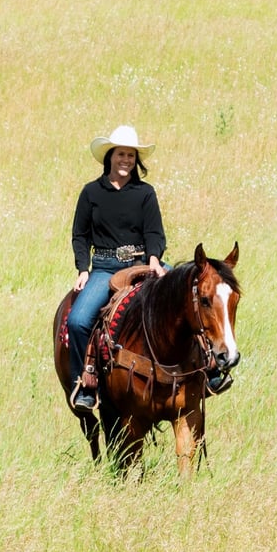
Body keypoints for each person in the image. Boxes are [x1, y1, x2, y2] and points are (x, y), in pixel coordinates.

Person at [67, 125, 168, 413]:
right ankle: (86, 384)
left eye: (131, 155)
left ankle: (201, 370)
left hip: (142, 263)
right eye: (121, 154)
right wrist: (82, 269)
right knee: (77, 321)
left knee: (187, 296)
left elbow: (155, 232)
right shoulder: (91, 193)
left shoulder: (145, 193)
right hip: (104, 269)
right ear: (109, 156)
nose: (126, 160)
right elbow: (80, 234)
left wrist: (154, 259)